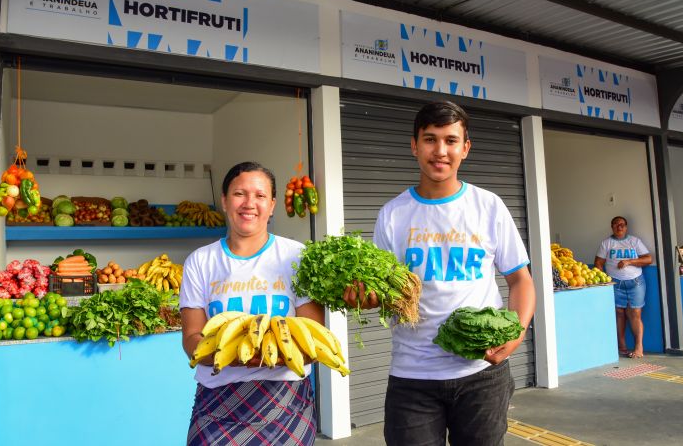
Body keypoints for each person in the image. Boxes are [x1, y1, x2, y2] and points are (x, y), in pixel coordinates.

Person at [345, 101, 535, 446]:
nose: (440, 151)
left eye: (451, 140)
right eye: (430, 139)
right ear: (414, 145)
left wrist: (517, 334)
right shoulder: (392, 214)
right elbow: (385, 293)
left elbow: (520, 280)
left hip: (482, 373)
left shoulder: (488, 206)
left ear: (466, 148)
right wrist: (366, 298)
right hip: (412, 376)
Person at [180, 161, 324, 446]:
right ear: (224, 201)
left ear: (272, 205)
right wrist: (236, 355)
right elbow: (192, 339)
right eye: (239, 194)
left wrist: (271, 357)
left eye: (260, 195)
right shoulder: (201, 261)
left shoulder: (297, 257)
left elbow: (313, 339)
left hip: (286, 404)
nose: (249, 203)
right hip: (217, 405)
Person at [594, 216, 653, 359]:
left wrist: (629, 261)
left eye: (622, 224)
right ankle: (622, 347)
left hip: (636, 282)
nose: (619, 227)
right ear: (612, 227)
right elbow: (598, 263)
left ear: (626, 227)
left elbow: (648, 259)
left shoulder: (634, 241)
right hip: (615, 283)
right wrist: (604, 279)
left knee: (635, 313)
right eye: (615, 224)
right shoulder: (606, 243)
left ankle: (639, 348)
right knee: (619, 313)